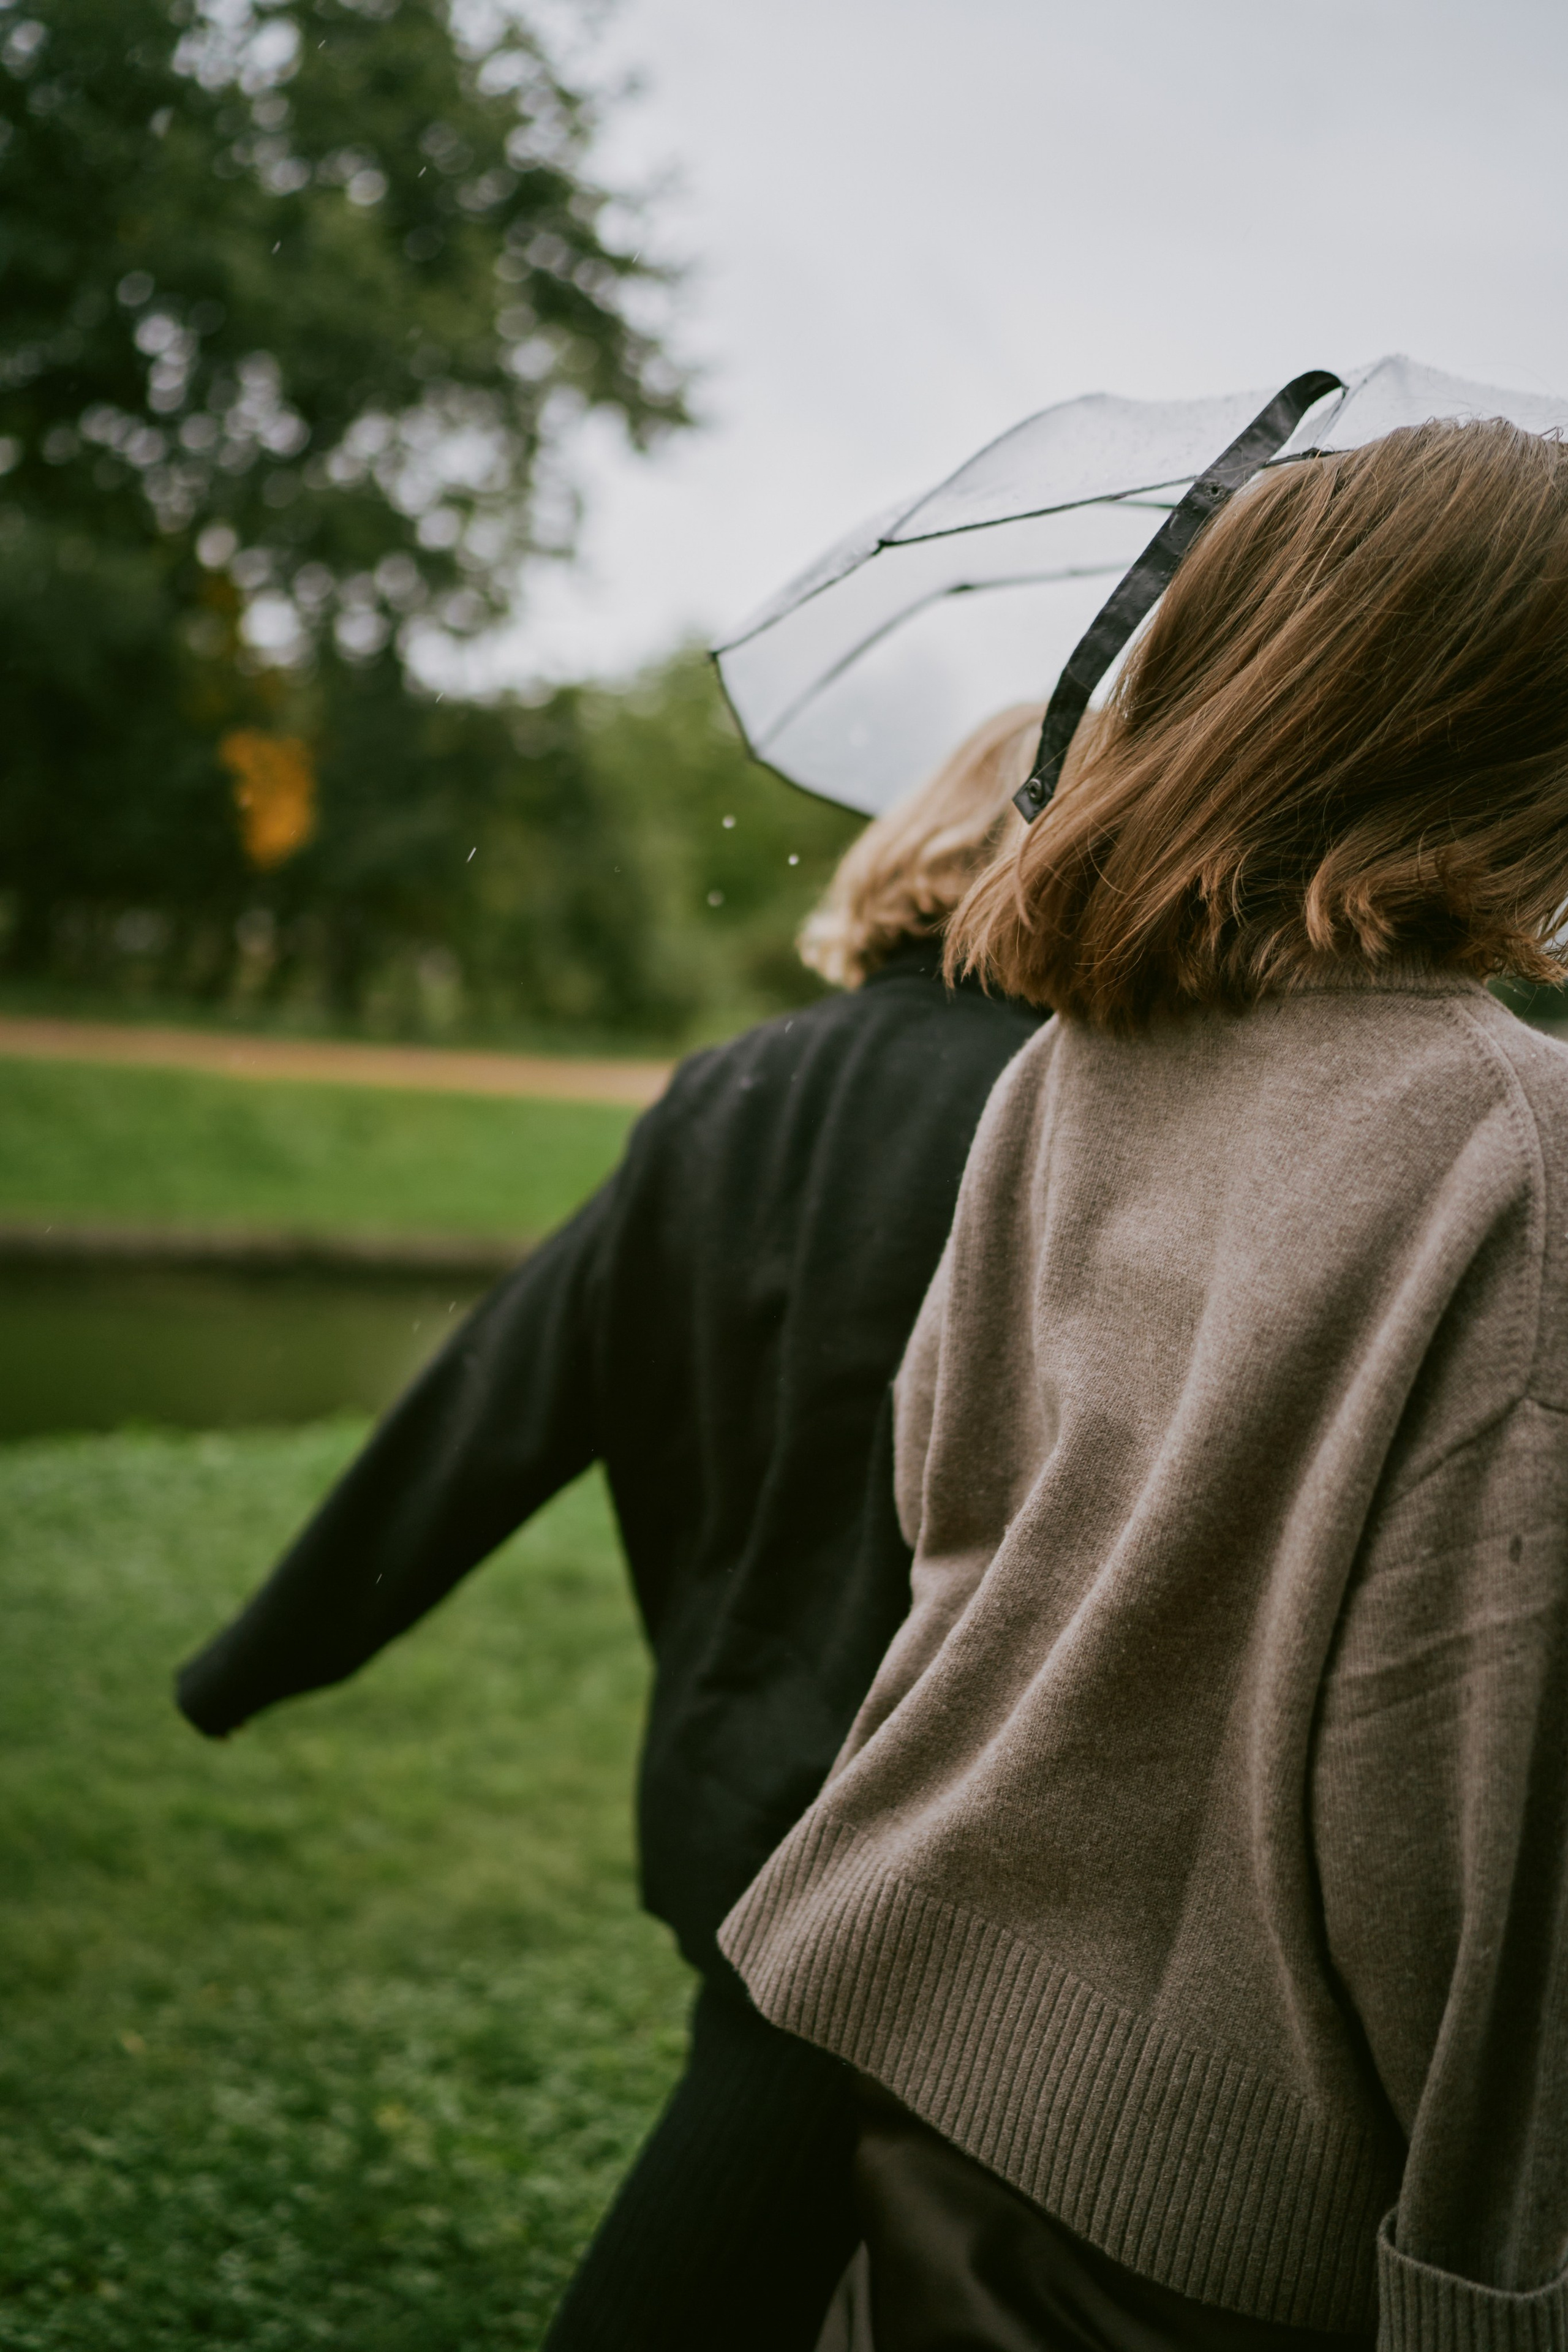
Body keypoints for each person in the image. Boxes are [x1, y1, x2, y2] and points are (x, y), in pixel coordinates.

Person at [720, 418, 1568, 2352]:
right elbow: (1472, 1803)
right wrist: (1491, 2306)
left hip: (938, 2083)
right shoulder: (1518, 1150)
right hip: (1234, 2230)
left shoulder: (1073, 1062)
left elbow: (948, 1505)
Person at [173, 704, 1050, 2351]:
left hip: (724, 1786)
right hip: (914, 1849)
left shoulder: (727, 1089)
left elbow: (498, 1398)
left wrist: (261, 1656)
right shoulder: (1063, 1121)